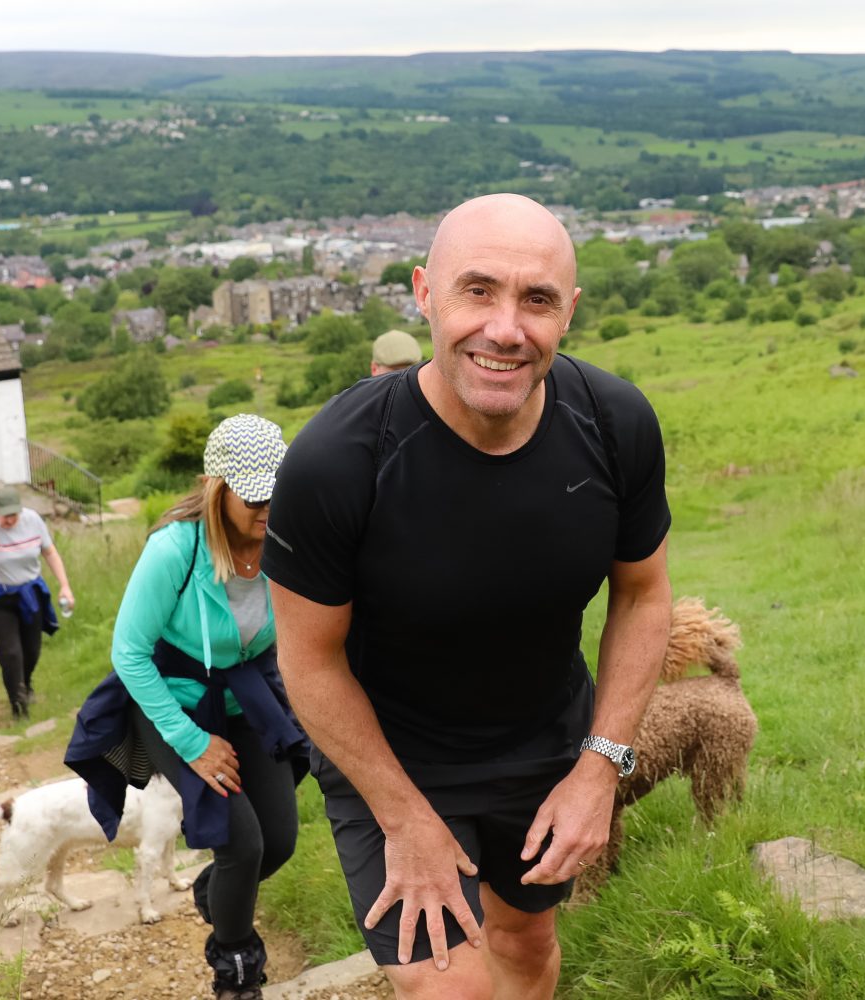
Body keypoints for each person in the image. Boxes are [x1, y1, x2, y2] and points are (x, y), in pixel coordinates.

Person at [264, 193, 673, 1000]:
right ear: (425, 293)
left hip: (547, 742)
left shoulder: (615, 423)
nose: (506, 329)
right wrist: (404, 817)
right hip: (391, 754)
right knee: (453, 988)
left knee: (524, 943)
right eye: (477, 290)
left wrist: (600, 768)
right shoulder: (336, 462)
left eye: (538, 300)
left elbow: (644, 594)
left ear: (571, 312)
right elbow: (306, 660)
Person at [65, 414, 306, 1000]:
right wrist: (192, 744)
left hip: (245, 690)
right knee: (240, 840)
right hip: (171, 698)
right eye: (252, 497)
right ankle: (235, 970)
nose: (267, 507)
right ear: (215, 489)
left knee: (278, 840)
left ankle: (215, 894)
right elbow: (129, 652)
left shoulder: (292, 538)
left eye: (278, 491)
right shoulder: (175, 549)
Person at [0, 487, 74, 718]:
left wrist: (65, 586)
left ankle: (25, 684)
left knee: (32, 651)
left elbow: (49, 552)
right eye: (4, 516)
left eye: (13, 515)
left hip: (29, 593)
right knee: (10, 654)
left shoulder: (33, 520)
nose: (9, 520)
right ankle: (18, 706)